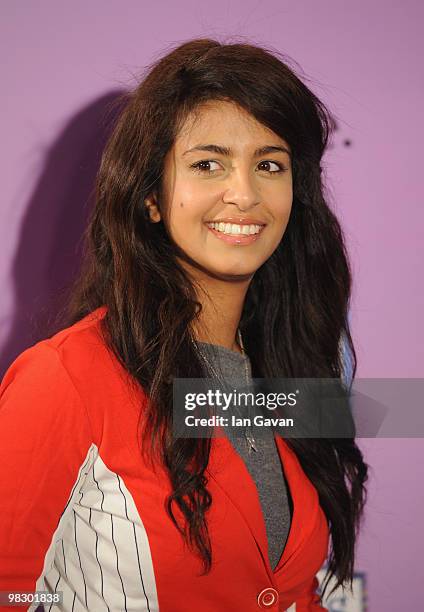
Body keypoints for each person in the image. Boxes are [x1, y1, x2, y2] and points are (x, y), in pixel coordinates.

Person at [0, 38, 368, 611]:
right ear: (151, 195)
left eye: (269, 165)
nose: (244, 194)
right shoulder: (63, 377)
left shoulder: (293, 375)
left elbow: (290, 593)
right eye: (207, 164)